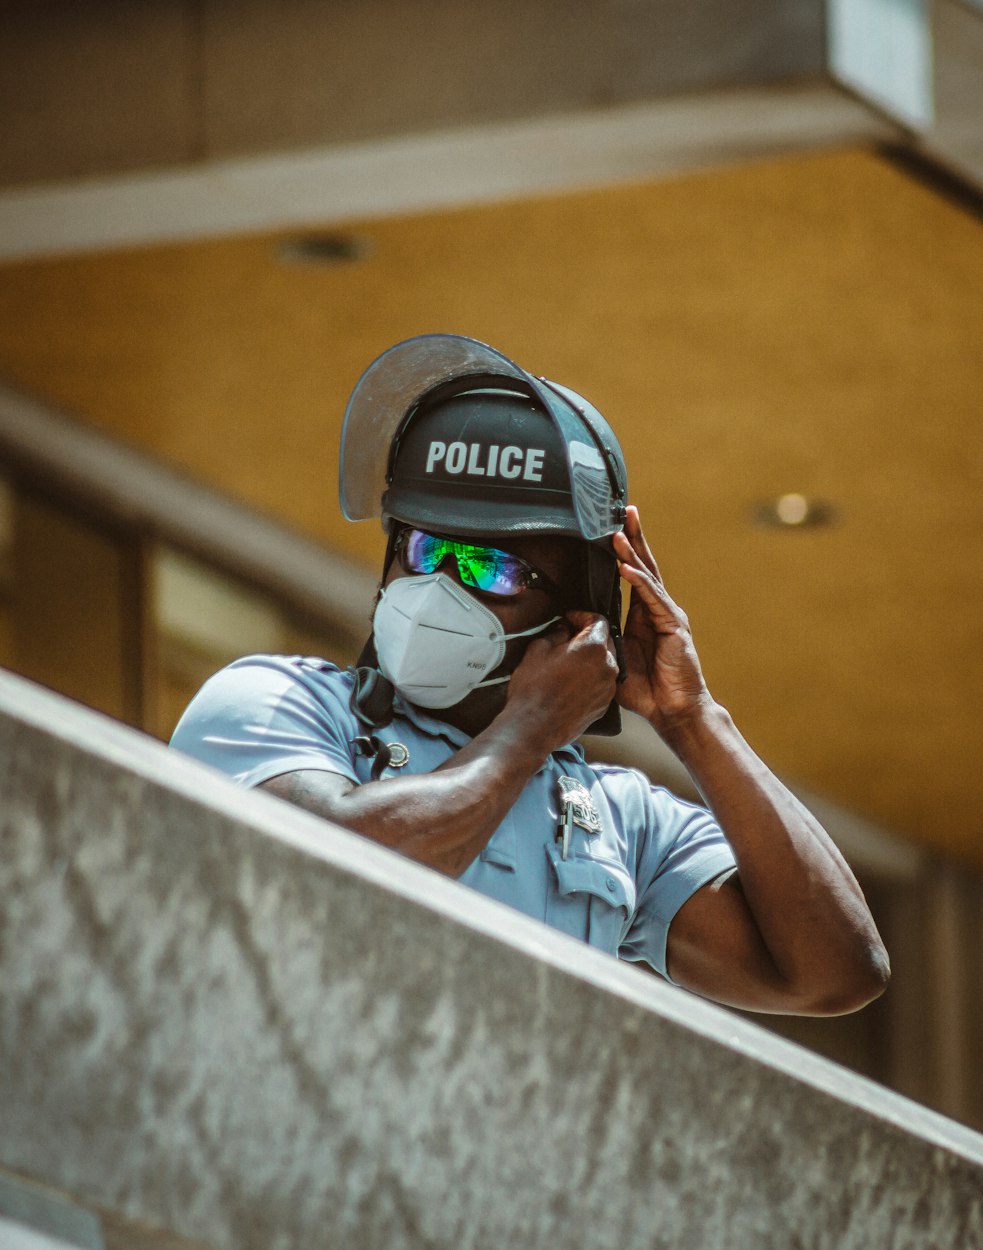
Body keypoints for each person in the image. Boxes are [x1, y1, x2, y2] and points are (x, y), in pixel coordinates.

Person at [171, 333, 889, 1015]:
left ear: (576, 617)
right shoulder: (280, 702)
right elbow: (316, 873)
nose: (441, 587)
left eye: (494, 567)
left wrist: (692, 719)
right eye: (424, 550)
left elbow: (834, 972)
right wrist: (526, 732)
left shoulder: (618, 818)